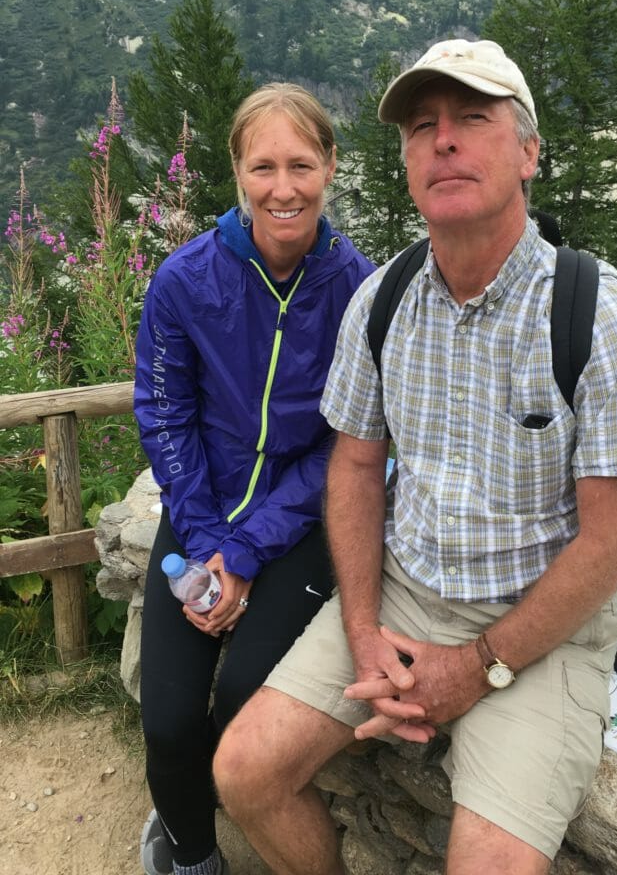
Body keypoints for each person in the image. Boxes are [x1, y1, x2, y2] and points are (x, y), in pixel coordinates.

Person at [212, 40, 617, 874]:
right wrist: (361, 630)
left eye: (473, 119)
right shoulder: (381, 301)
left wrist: (477, 666)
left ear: (528, 151)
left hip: (543, 629)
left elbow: (612, 542)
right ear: (407, 163)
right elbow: (353, 468)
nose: (444, 140)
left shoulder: (599, 318)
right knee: (245, 773)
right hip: (401, 593)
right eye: (423, 126)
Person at [133, 82, 375, 875]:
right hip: (201, 512)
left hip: (300, 525)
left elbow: (349, 446)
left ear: (330, 167)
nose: (283, 188)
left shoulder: (359, 292)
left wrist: (244, 553)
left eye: (301, 164)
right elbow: (166, 416)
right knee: (168, 718)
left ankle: (205, 798)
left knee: (243, 699)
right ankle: (190, 851)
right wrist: (208, 542)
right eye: (263, 166)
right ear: (236, 170)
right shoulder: (183, 281)